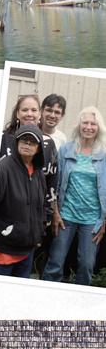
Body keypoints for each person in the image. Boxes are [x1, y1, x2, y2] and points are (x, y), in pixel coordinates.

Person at [42, 107, 106, 286]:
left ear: (98, 127)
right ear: (79, 125)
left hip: (92, 220)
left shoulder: (103, 155)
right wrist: (55, 213)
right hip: (66, 216)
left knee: (86, 265)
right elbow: (56, 182)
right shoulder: (66, 150)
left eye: (93, 124)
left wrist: (104, 221)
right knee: (55, 262)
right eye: (85, 122)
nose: (88, 127)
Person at [0, 124, 46, 278]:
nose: (27, 144)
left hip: (26, 254)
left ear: (39, 148)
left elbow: (41, 206)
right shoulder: (3, 169)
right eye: (24, 140)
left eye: (32, 142)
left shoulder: (38, 173)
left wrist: (38, 234)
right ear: (16, 143)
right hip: (0, 254)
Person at [0, 95, 57, 223]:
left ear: (40, 113)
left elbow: (51, 183)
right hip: (3, 215)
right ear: (17, 113)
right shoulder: (2, 138)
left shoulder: (48, 144)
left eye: (34, 110)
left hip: (33, 218)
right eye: (25, 110)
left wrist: (46, 218)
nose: (29, 114)